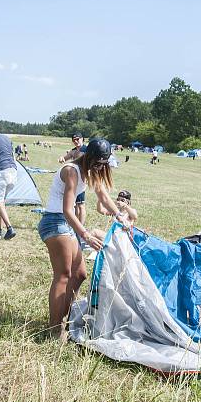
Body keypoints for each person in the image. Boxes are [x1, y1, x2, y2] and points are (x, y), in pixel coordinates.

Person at [38, 138, 129, 334]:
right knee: (63, 275)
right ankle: (55, 329)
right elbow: (67, 209)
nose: (100, 167)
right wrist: (85, 234)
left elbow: (104, 197)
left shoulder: (90, 171)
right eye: (97, 163)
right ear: (89, 157)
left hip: (66, 224)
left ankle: (65, 318)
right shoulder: (72, 170)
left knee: (79, 274)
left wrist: (120, 217)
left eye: (103, 164)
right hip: (55, 221)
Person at [58, 133, 87, 227]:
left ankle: (81, 227)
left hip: (82, 179)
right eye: (74, 140)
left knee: (81, 204)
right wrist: (62, 158)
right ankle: (76, 225)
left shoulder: (86, 150)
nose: (76, 141)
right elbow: (65, 158)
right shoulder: (73, 151)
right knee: (74, 204)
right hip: (73, 179)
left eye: (77, 139)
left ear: (82, 139)